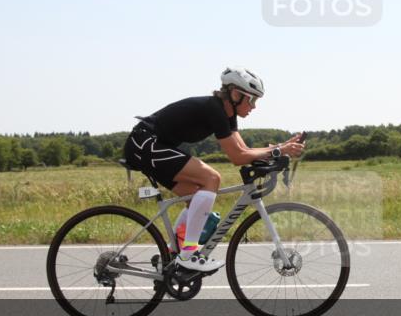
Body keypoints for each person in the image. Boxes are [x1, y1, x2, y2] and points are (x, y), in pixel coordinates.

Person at [123, 67, 305, 272]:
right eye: (252, 100)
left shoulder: (227, 114)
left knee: (195, 197)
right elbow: (237, 158)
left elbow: (244, 150)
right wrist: (279, 150)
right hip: (144, 143)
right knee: (212, 178)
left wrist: (278, 148)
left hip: (152, 145)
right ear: (236, 95)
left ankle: (171, 256)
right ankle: (189, 253)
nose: (254, 107)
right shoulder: (214, 109)